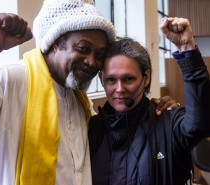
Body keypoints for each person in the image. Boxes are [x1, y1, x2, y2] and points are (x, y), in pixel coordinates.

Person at [0, 1, 178, 185]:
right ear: (56, 42)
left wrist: (153, 109)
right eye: (83, 49)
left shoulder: (80, 100)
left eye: (99, 55)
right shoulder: (11, 79)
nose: (92, 62)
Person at [88, 17, 210, 185]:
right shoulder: (92, 129)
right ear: (102, 80)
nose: (119, 89)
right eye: (111, 80)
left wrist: (186, 50)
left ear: (146, 78)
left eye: (128, 79)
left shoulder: (169, 121)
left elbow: (200, 124)